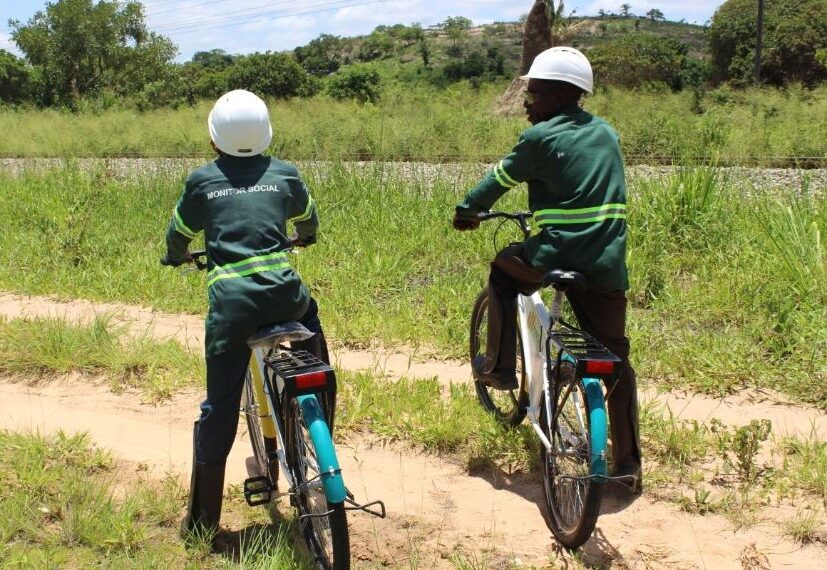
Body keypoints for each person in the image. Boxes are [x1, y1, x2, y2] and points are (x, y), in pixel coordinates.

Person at [452, 47, 641, 490]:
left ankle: (498, 369)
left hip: (556, 253)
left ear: (558, 96)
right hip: (607, 263)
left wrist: (466, 211)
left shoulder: (539, 138)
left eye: (534, 94)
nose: (527, 103)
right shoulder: (607, 133)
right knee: (615, 359)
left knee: (503, 272)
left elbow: (497, 181)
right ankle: (628, 465)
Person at [161, 89, 330, 535]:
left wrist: (174, 256)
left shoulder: (202, 181)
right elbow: (308, 219)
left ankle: (202, 523)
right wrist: (306, 235)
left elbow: (178, 233)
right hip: (286, 295)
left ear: (213, 139)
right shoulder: (285, 173)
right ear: (267, 134)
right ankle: (320, 410)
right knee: (312, 324)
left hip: (233, 309)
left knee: (218, 407)